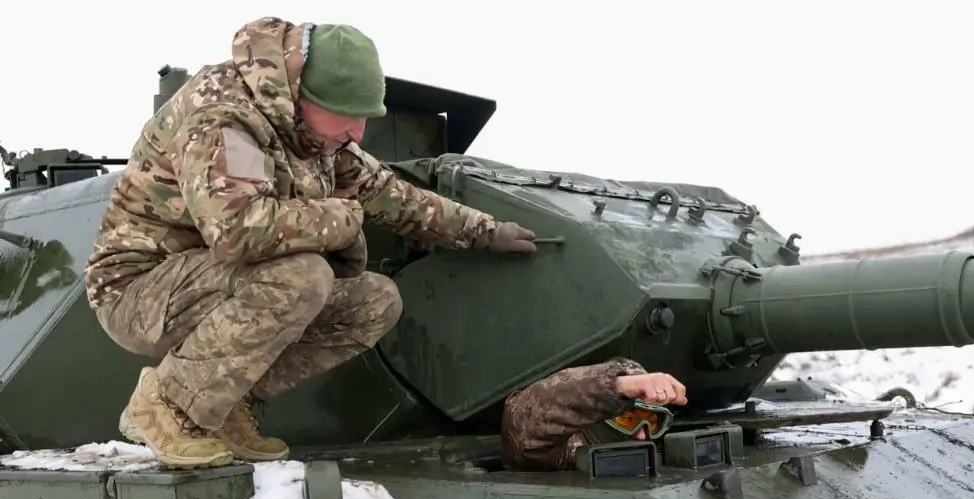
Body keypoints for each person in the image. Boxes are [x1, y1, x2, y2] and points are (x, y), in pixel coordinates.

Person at [84, 17, 536, 469]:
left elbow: (392, 196)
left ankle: (220, 403)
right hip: (138, 289)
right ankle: (167, 403)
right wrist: (340, 219)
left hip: (213, 281)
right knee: (302, 275)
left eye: (364, 117)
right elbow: (239, 230)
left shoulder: (314, 133)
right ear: (302, 94)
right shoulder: (224, 116)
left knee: (375, 301)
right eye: (347, 116)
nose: (357, 133)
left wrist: (486, 232)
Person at [500, 358, 688, 471]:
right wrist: (618, 387)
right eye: (627, 419)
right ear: (596, 415)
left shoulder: (657, 459)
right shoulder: (568, 456)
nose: (641, 434)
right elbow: (525, 426)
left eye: (651, 423)